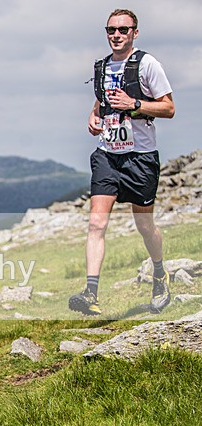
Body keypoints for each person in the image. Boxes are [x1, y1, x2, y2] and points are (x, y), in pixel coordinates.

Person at [69, 9, 175, 316]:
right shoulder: (102, 66)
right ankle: (90, 293)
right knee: (96, 223)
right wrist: (93, 115)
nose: (116, 35)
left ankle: (159, 274)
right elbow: (102, 100)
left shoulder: (147, 64)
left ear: (134, 33)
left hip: (140, 158)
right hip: (107, 155)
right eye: (111, 30)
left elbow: (169, 108)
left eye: (123, 30)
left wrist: (134, 104)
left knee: (144, 225)